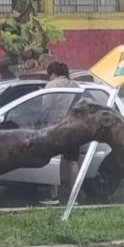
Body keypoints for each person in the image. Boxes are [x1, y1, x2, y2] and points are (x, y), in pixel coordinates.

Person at [43, 61, 81, 204]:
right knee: (73, 162)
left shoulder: (51, 86)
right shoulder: (76, 86)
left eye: (49, 75)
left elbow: (46, 108)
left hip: (55, 127)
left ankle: (54, 196)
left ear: (53, 73)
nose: (49, 78)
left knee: (55, 161)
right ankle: (74, 197)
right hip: (73, 126)